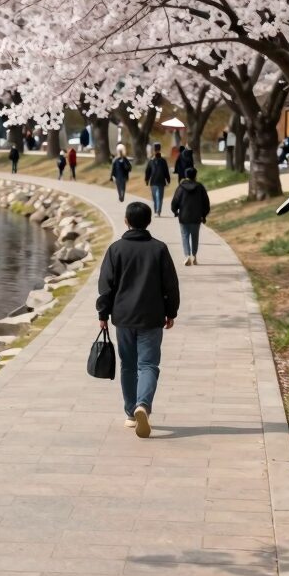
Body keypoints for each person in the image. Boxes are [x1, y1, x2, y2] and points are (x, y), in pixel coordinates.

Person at [96, 201, 180, 437]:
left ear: (126, 221)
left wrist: (103, 313)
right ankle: (143, 404)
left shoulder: (116, 249)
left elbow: (106, 286)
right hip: (152, 316)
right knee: (148, 365)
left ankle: (131, 413)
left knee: (129, 366)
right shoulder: (159, 249)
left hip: (123, 317)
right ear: (149, 222)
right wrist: (171, 311)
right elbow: (170, 285)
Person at [171, 167, 211, 266]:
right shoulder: (200, 187)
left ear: (186, 175)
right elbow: (206, 203)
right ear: (195, 175)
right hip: (196, 217)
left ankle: (187, 255)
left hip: (184, 217)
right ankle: (194, 256)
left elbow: (175, 201)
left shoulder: (181, 187)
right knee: (195, 237)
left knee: (185, 236)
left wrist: (175, 211)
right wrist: (204, 215)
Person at [145, 143, 171, 217]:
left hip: (157, 181)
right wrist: (147, 179)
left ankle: (158, 211)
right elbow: (148, 171)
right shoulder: (155, 160)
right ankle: (157, 210)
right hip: (156, 181)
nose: (156, 151)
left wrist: (168, 179)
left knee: (157, 197)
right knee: (157, 197)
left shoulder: (159, 160)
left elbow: (165, 171)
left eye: (156, 150)